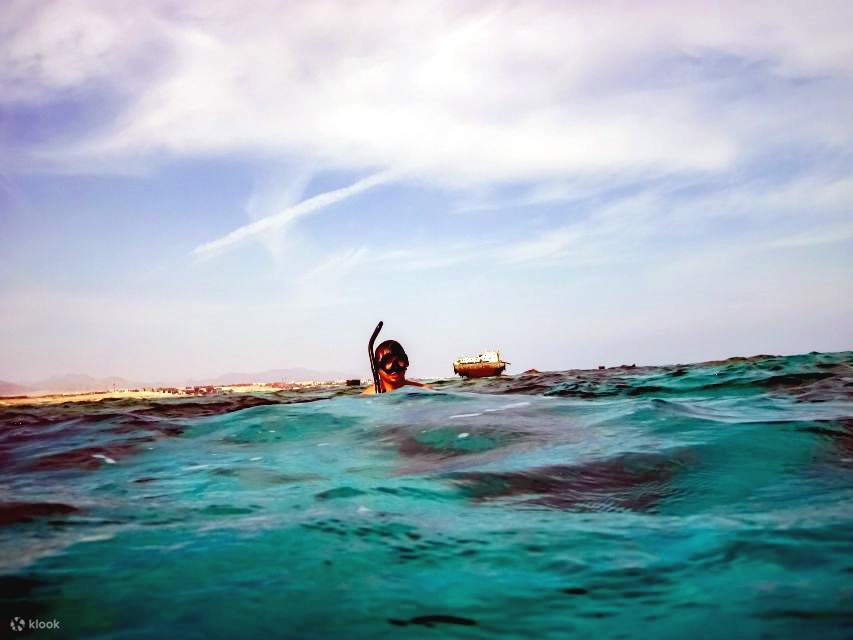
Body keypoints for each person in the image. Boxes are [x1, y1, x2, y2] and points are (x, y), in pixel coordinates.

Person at [362, 339, 428, 394]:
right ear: (377, 367)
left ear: (406, 362)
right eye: (387, 362)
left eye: (399, 361)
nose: (395, 368)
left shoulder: (423, 390)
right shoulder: (367, 396)